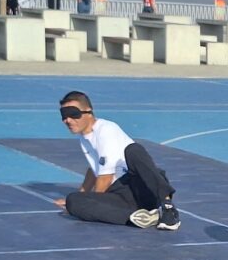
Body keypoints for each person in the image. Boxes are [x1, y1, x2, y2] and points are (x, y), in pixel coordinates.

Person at [54, 91, 181, 231]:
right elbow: (94, 169)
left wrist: (95, 200)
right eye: (64, 116)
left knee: (133, 150)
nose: (68, 120)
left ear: (88, 112)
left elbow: (105, 177)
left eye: (73, 114)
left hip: (140, 185)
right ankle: (137, 218)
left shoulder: (106, 130)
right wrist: (81, 195)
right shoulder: (84, 137)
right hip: (120, 196)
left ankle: (167, 207)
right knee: (73, 201)